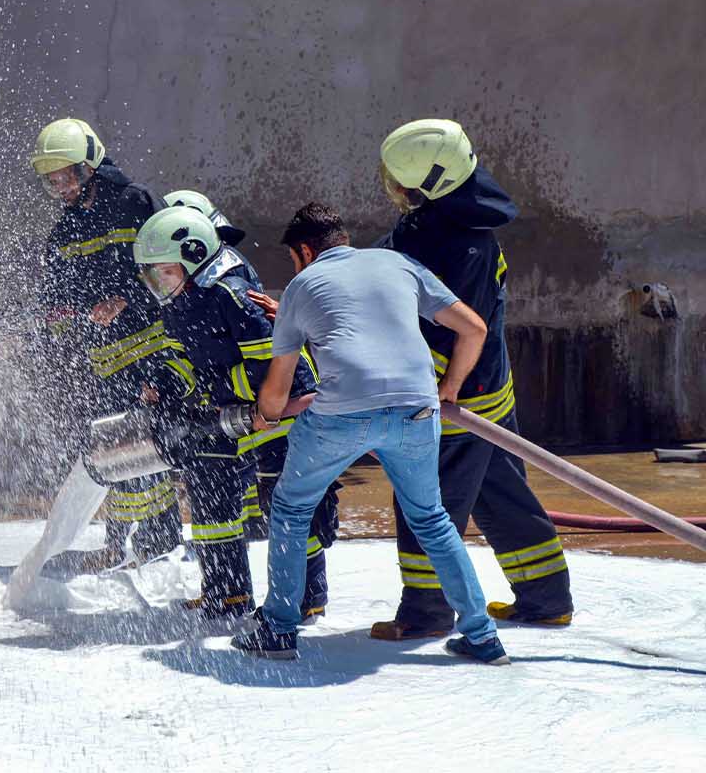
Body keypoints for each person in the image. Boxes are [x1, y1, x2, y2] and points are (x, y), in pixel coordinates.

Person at [230, 202, 510, 665]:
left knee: (292, 508)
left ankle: (278, 629)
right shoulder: (397, 263)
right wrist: (449, 389)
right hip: (417, 411)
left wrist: (264, 417)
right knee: (433, 520)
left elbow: (277, 391)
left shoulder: (303, 284)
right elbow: (474, 328)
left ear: (304, 251)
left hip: (340, 416)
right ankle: (482, 636)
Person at [371, 119, 573, 638]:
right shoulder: (439, 226)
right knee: (498, 492)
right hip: (487, 393)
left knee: (424, 498)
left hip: (457, 395)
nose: (389, 187)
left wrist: (434, 393)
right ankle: (546, 598)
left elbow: (460, 332)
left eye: (396, 180)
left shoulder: (465, 249)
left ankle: (426, 613)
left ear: (426, 186)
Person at [132, 206, 337, 624]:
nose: (158, 284)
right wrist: (168, 384)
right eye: (152, 276)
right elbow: (187, 357)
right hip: (233, 411)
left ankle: (307, 596)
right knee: (210, 499)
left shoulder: (232, 295)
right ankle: (226, 594)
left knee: (287, 505)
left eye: (165, 273)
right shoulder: (179, 302)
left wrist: (212, 391)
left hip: (283, 410)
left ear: (193, 257)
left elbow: (271, 367)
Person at [30, 118, 184, 569]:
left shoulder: (133, 203)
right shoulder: (64, 232)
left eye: (67, 176)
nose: (60, 187)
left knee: (149, 443)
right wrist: (61, 320)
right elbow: (55, 297)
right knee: (115, 449)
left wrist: (127, 298)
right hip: (104, 362)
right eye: (51, 180)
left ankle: (159, 540)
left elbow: (167, 268)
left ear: (91, 166)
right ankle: (121, 544)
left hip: (154, 353)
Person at [161, 190, 267, 539]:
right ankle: (247, 528)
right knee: (234, 478)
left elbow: (259, 357)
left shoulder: (225, 286)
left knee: (246, 473)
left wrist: (214, 388)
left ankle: (249, 529)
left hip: (254, 400)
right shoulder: (197, 286)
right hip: (239, 401)